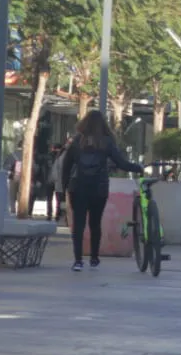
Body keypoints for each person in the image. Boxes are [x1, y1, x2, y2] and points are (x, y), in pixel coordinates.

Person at [60, 111, 143, 272]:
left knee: (78, 224)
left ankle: (78, 260)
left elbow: (66, 166)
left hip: (78, 187)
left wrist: (64, 188)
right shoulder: (106, 142)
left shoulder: (76, 141)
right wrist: (137, 168)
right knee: (95, 223)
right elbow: (121, 163)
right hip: (99, 188)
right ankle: (94, 258)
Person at [48, 141, 69, 221]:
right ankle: (60, 215)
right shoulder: (63, 157)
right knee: (61, 200)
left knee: (57, 199)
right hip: (61, 182)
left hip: (56, 181)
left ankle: (53, 214)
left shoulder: (57, 157)